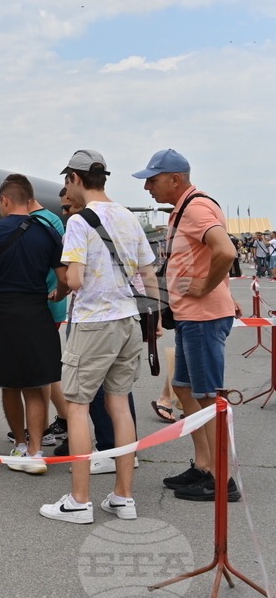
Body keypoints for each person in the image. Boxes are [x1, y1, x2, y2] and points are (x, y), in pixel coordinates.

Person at [40, 150, 157, 524]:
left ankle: (79, 501)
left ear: (74, 178)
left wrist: (70, 277)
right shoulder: (127, 216)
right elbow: (148, 274)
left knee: (77, 406)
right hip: (128, 320)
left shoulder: (78, 221)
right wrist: (151, 315)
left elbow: (74, 280)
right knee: (119, 405)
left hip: (93, 322)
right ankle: (123, 497)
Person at [134, 148, 241, 502]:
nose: (148, 186)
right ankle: (205, 465)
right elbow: (207, 256)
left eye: (153, 179)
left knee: (207, 397)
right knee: (183, 388)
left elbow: (226, 252)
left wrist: (206, 288)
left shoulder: (194, 208)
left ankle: (222, 478)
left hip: (202, 317)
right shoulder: (186, 208)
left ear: (175, 179)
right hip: (192, 317)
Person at [0, 176, 67, 473]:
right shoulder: (49, 232)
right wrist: (59, 294)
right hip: (37, 311)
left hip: (3, 312)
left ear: (5, 200)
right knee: (36, 384)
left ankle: (21, 446)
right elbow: (64, 278)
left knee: (10, 383)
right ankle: (37, 452)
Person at [3, 174, 69, 449]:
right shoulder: (51, 219)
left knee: (39, 374)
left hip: (41, 305)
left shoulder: (39, 222)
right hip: (49, 303)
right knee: (46, 372)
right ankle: (58, 422)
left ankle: (41, 430)